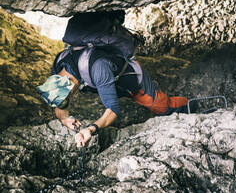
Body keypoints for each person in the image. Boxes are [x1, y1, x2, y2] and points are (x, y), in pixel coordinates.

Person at [37, 47, 190, 148]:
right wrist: (65, 119)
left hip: (132, 81)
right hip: (108, 80)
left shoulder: (99, 68)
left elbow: (114, 109)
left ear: (69, 86)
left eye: (67, 98)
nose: (64, 103)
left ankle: (189, 105)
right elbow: (59, 102)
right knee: (107, 90)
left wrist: (91, 129)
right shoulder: (60, 63)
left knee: (161, 106)